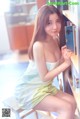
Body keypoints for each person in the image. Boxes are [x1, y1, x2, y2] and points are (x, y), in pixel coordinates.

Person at [14, 5, 77, 119]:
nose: (55, 27)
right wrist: (66, 64)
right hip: (30, 90)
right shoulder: (38, 46)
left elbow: (53, 66)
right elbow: (44, 77)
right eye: (49, 23)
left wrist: (63, 58)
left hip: (46, 88)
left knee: (72, 101)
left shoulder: (55, 39)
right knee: (66, 108)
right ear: (41, 24)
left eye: (57, 21)